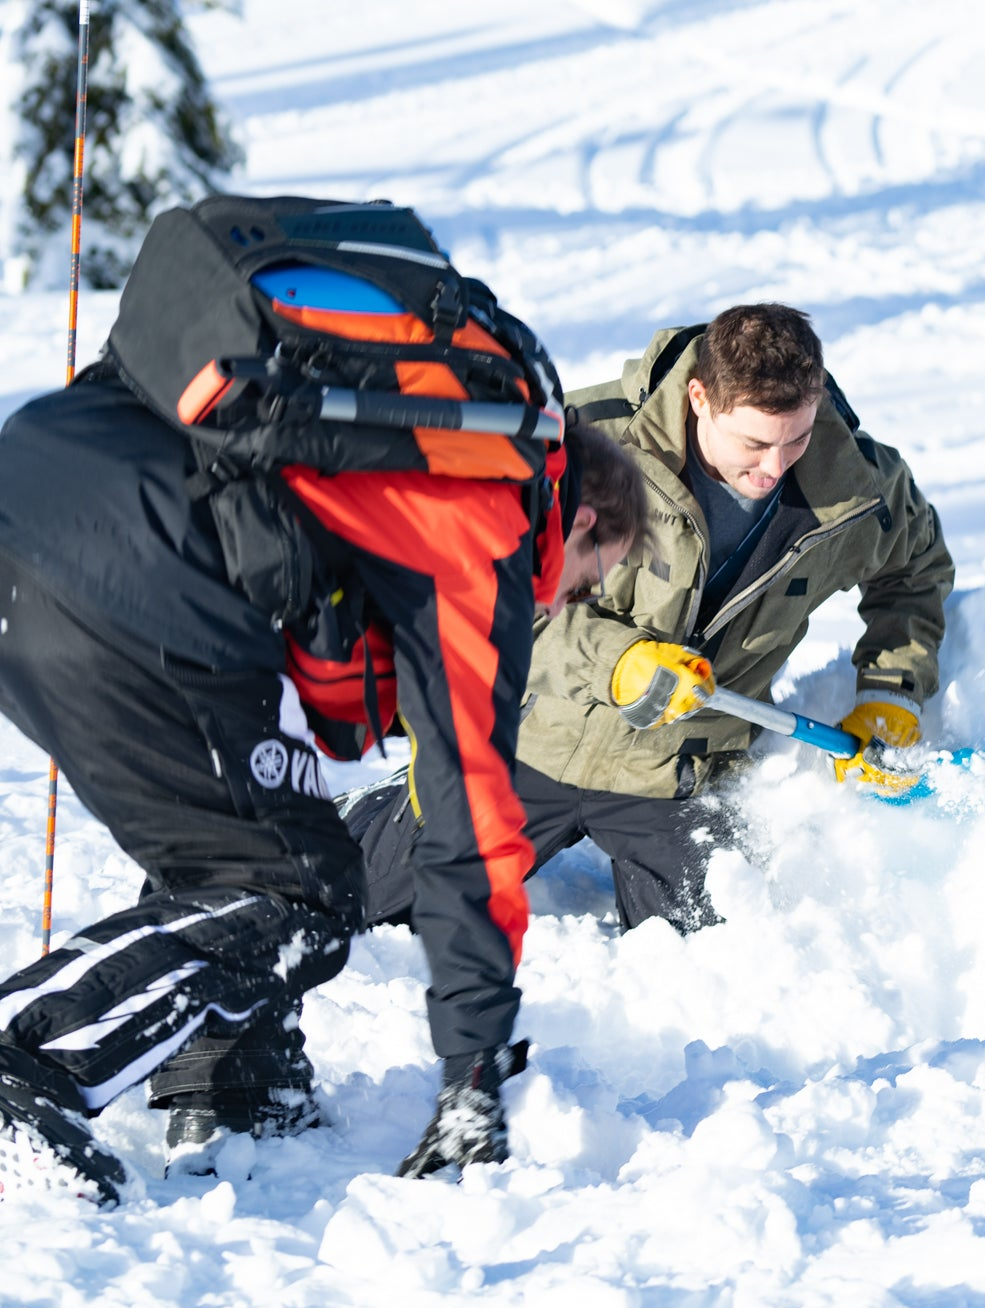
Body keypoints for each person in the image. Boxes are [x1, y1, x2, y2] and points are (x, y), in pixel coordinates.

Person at [0, 204, 624, 1200]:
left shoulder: (358, 431)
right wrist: (471, 1076)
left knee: (252, 842)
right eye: (586, 578)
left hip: (34, 500)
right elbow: (469, 813)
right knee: (299, 887)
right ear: (579, 518)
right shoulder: (482, 507)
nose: (559, 605)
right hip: (130, 574)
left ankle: (237, 1084)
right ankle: (26, 1057)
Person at [340, 302, 955, 937]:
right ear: (700, 397)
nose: (775, 468)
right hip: (534, 735)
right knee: (346, 896)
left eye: (794, 437)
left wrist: (891, 691)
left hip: (686, 772)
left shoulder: (857, 488)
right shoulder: (579, 444)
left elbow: (916, 571)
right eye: (753, 443)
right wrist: (617, 661)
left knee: (712, 958)